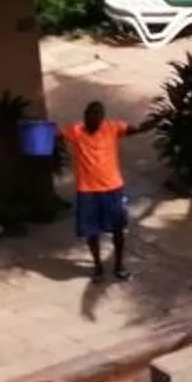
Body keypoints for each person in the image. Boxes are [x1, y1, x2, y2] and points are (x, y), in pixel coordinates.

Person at [61, 100, 134, 281]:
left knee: (118, 229)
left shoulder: (113, 128)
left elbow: (136, 129)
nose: (91, 120)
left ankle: (119, 265)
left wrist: (157, 120)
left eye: (95, 117)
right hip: (87, 191)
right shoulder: (75, 130)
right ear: (84, 116)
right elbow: (53, 136)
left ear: (102, 118)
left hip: (113, 188)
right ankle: (98, 266)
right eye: (88, 116)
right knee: (91, 231)